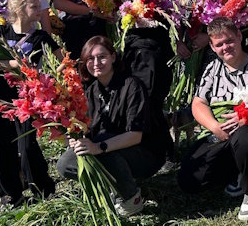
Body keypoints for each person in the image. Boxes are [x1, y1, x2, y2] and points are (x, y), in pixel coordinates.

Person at [177, 17, 248, 221]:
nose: (226, 47)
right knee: (189, 181)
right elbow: (198, 103)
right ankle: (237, 174)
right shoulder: (213, 69)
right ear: (213, 47)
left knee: (245, 136)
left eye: (229, 41)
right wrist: (214, 126)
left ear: (239, 36)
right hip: (220, 135)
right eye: (219, 44)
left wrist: (247, 116)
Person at [56, 36, 169, 216]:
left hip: (143, 152)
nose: (96, 63)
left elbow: (135, 135)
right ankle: (114, 186)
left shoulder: (132, 85)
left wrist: (97, 147)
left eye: (102, 57)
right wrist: (75, 137)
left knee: (103, 144)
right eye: (90, 59)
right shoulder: (90, 90)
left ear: (113, 57)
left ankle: (132, 199)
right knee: (65, 163)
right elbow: (86, 129)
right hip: (108, 151)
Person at [0, 0, 61, 209]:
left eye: (39, 6)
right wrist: (12, 65)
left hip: (28, 96)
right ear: (19, 9)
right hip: (0, 94)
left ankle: (42, 187)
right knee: (2, 145)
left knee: (28, 144)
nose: (40, 10)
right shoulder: (1, 32)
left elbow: (63, 58)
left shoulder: (41, 37)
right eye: (34, 6)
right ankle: (10, 195)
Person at [123, 0, 190, 163]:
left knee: (153, 100)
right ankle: (150, 146)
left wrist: (179, 41)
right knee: (138, 101)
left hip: (157, 55)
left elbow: (176, 25)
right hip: (133, 53)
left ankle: (164, 149)